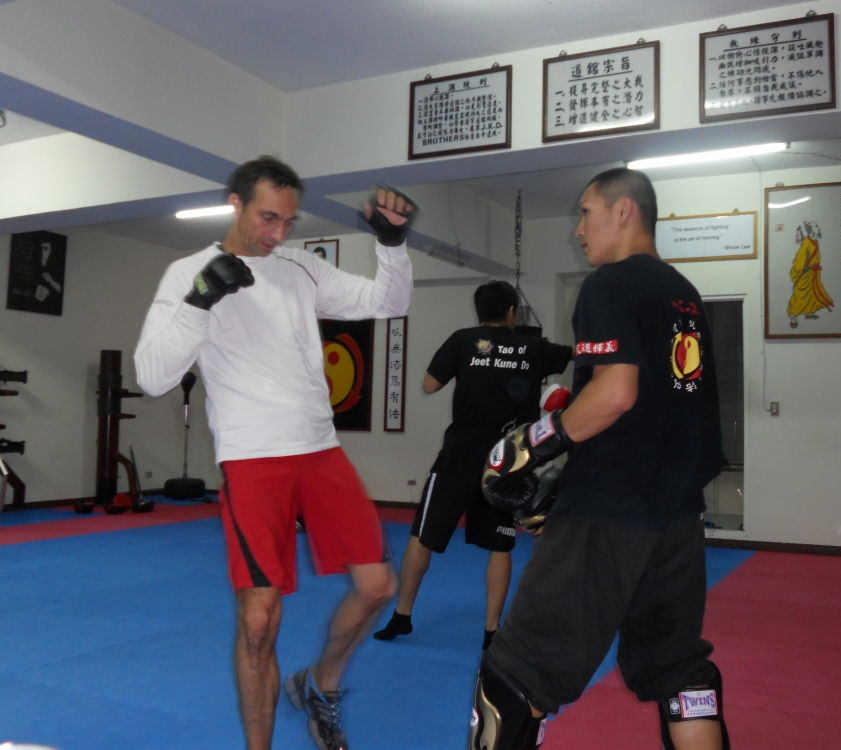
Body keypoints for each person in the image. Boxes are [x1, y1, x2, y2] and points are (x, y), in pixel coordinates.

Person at [134, 156, 416, 750]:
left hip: (320, 450)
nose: (277, 233)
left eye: (288, 221)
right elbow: (153, 376)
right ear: (235, 203)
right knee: (259, 620)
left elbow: (386, 302)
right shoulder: (187, 272)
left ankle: (319, 684)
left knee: (378, 587)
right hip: (252, 457)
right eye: (268, 218)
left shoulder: (298, 267)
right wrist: (200, 299)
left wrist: (391, 245)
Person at [471, 168, 729, 750]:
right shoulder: (684, 295)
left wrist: (529, 446)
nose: (579, 229)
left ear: (623, 211)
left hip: (608, 509)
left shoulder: (610, 284)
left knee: (514, 676)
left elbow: (615, 395)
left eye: (586, 213)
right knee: (679, 671)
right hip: (676, 517)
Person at [373, 281, 572, 650]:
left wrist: (475, 373)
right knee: (500, 545)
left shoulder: (463, 340)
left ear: (479, 311)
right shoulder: (534, 347)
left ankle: (402, 616)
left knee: (422, 536)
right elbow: (580, 353)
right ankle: (492, 631)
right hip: (507, 463)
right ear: (512, 312)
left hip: (458, 457)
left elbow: (429, 385)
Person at [787, 220, 834, 328]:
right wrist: (796, 273)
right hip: (806, 275)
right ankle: (793, 315)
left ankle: (808, 312)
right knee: (800, 295)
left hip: (814, 275)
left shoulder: (815, 241)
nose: (818, 227)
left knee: (812, 295)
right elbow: (799, 260)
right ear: (811, 230)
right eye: (815, 226)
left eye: (817, 226)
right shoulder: (807, 243)